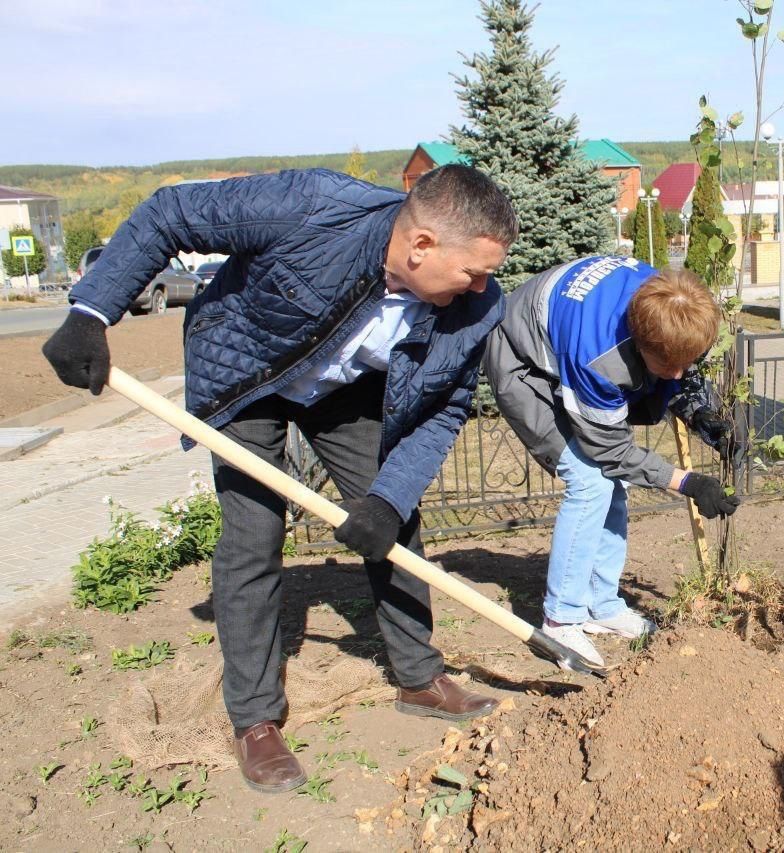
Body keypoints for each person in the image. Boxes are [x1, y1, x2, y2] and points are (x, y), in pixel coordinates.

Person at [42, 165, 518, 793]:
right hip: (247, 375)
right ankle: (255, 720)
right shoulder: (314, 207)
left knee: (394, 520)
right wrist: (91, 312)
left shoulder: (476, 306)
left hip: (345, 387)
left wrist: (386, 498)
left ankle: (419, 677)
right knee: (252, 536)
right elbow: (168, 214)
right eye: (473, 270)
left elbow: (445, 409)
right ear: (420, 246)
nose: (483, 285)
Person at [484, 256, 740, 667]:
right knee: (592, 481)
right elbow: (611, 452)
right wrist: (688, 483)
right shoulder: (599, 357)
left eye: (686, 362)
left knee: (611, 486)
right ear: (638, 342)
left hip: (563, 333)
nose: (678, 373)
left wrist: (701, 413)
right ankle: (560, 619)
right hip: (522, 364)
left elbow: (677, 370)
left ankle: (602, 606)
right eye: (667, 366)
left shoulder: (671, 298)